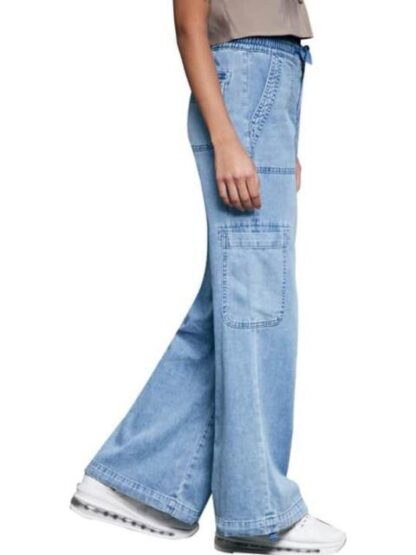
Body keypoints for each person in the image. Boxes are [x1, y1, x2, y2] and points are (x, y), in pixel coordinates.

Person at [70, 1, 347, 553]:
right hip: (244, 87)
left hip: (266, 86)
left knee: (236, 302)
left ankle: (143, 483)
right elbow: (188, 23)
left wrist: (281, 135)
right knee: (258, 310)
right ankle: (256, 513)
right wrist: (227, 139)